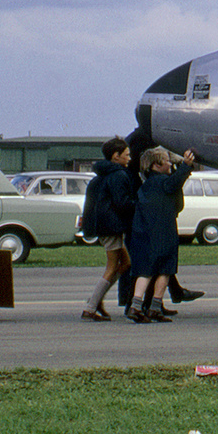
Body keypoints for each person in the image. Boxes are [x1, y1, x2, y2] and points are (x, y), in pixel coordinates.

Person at [127, 147, 196, 322]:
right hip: (163, 231)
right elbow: (175, 184)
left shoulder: (146, 185)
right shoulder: (163, 182)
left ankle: (136, 304)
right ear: (157, 165)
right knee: (165, 269)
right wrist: (186, 167)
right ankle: (155, 307)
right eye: (166, 161)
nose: (170, 163)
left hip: (142, 231)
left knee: (145, 271)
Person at [80, 137, 136, 320]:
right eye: (126, 155)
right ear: (116, 156)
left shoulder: (100, 176)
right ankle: (91, 306)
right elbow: (122, 203)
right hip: (111, 227)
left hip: (102, 226)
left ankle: (98, 299)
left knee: (125, 264)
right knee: (112, 267)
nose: (129, 158)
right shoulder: (119, 175)